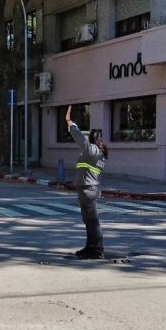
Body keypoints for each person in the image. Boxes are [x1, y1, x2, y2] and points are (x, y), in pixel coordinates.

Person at [65, 106, 107, 260]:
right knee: (88, 220)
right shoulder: (96, 152)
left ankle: (97, 249)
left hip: (88, 189)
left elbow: (80, 139)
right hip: (88, 188)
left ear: (93, 139)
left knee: (92, 221)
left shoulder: (93, 150)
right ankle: (90, 247)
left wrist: (71, 123)